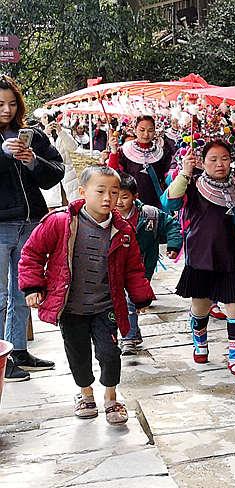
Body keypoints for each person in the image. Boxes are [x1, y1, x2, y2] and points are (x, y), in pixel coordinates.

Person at [18, 166, 154, 424]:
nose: (107, 198)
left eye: (114, 193)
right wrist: (33, 287)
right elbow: (32, 253)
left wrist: (141, 296)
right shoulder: (60, 223)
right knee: (78, 354)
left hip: (107, 306)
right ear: (82, 192)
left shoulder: (122, 231)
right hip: (71, 308)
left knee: (110, 353)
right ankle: (86, 393)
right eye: (100, 191)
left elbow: (133, 267)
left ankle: (112, 398)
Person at [164, 140, 235, 380]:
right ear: (202, 162)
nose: (219, 164)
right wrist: (185, 172)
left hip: (233, 257)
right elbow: (169, 201)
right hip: (202, 256)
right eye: (213, 159)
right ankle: (200, 341)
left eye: (224, 158)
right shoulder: (192, 186)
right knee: (200, 307)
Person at [0, 74, 64, 382]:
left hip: (31, 224)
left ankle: (19, 350)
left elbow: (56, 171)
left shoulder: (32, 135)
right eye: (0, 104)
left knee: (25, 290)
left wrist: (31, 160)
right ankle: (1, 357)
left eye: (12, 104)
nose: (6, 110)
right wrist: (4, 155)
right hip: (0, 227)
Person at [116, 174, 182, 355]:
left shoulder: (150, 214)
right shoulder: (107, 216)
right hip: (116, 266)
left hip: (143, 266)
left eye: (125, 197)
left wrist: (174, 245)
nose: (119, 202)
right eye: (116, 196)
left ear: (135, 196)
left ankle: (128, 338)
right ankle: (131, 335)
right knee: (124, 300)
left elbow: (172, 224)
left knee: (131, 299)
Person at [111, 115, 174, 209]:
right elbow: (113, 173)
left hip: (155, 202)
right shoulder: (124, 151)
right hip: (129, 203)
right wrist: (113, 151)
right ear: (135, 129)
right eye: (142, 130)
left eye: (150, 130)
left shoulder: (163, 152)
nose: (146, 134)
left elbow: (167, 177)